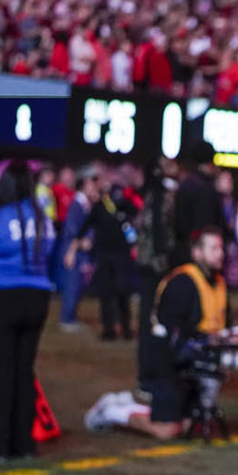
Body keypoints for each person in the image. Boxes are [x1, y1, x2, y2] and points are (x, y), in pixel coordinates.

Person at [85, 228, 228, 440]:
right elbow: (171, 331)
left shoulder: (218, 282)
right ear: (197, 253)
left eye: (221, 247)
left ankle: (132, 405)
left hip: (193, 362)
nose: (220, 253)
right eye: (214, 248)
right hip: (168, 365)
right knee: (168, 430)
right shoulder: (183, 282)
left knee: (190, 425)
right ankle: (112, 411)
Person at [0, 161, 55, 461]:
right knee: (24, 371)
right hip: (37, 297)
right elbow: (49, 252)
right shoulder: (43, 219)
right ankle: (24, 443)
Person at [66, 176, 138, 340]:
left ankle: (118, 329)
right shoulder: (108, 207)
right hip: (112, 255)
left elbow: (86, 225)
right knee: (112, 293)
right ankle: (113, 329)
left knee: (118, 293)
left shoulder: (120, 207)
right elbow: (87, 225)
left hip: (113, 255)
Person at [136, 156, 180, 386]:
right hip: (157, 268)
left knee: (151, 321)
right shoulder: (163, 196)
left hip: (150, 266)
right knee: (154, 322)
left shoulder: (151, 195)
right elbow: (162, 234)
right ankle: (150, 374)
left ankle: (149, 373)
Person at [173, 142, 226, 267]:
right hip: (202, 253)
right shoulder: (206, 187)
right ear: (211, 162)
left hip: (184, 250)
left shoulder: (185, 183)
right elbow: (207, 223)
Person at [57, 174, 94, 331]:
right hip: (74, 250)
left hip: (78, 250)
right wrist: (72, 249)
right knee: (72, 284)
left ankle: (71, 316)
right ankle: (67, 318)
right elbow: (71, 230)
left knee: (78, 284)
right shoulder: (77, 205)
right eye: (90, 185)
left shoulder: (84, 204)